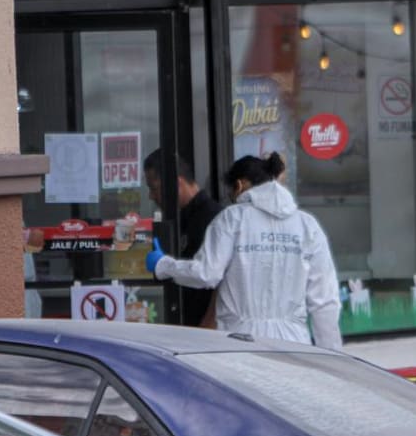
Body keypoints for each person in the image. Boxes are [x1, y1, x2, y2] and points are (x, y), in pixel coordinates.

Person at [146, 152, 343, 349]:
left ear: (239, 185)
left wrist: (163, 265)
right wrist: (333, 357)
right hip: (294, 344)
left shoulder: (231, 219)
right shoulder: (307, 226)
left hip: (239, 343)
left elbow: (206, 273)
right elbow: (325, 301)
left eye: (231, 193)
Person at [143, 149, 223, 327]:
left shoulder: (214, 219)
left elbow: (217, 278)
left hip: (205, 326)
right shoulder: (181, 219)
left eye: (154, 188)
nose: (151, 196)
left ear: (176, 184)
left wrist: (209, 324)